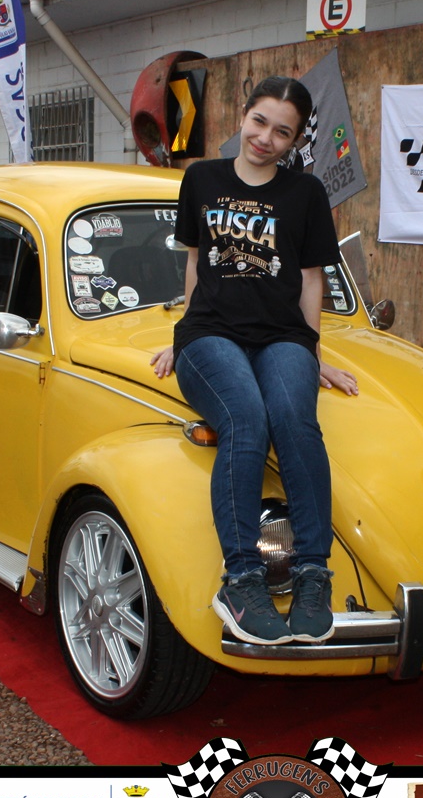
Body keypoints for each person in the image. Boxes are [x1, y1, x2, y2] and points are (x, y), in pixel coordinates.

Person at [151, 75, 358, 646]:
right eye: (260, 121)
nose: (266, 138)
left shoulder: (306, 193)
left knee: (295, 419)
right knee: (245, 418)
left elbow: (310, 279)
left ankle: (312, 573)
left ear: (295, 140)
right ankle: (242, 580)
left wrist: (311, 354)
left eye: (282, 132)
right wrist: (183, 335)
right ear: (243, 116)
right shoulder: (201, 178)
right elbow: (196, 262)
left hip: (282, 336)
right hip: (210, 333)